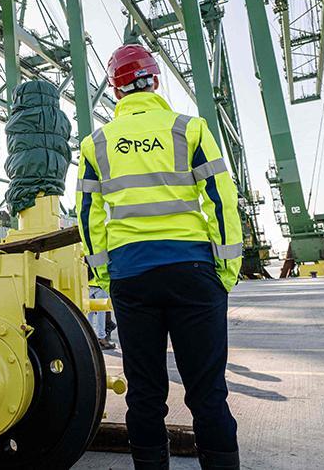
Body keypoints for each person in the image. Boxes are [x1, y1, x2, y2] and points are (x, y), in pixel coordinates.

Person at [76, 44, 243, 470]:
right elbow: (222, 198)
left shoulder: (96, 143)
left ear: (116, 91)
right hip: (194, 272)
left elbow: (87, 214)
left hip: (132, 276)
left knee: (145, 394)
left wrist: (104, 272)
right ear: (155, 81)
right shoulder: (189, 128)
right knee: (208, 393)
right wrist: (226, 269)